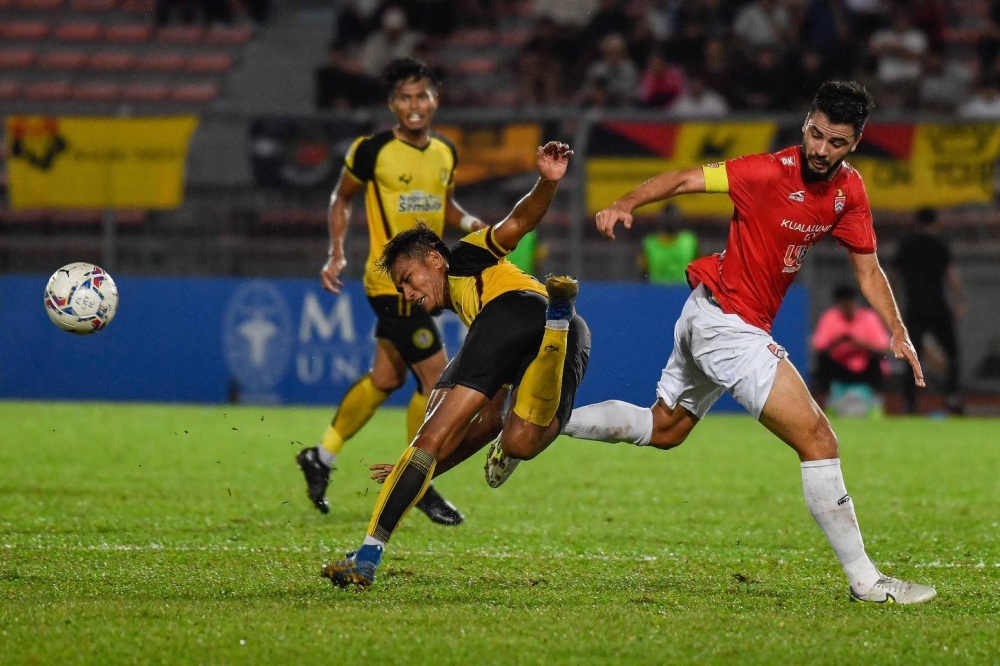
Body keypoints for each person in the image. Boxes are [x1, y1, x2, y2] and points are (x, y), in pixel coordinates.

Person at [561, 81, 937, 604]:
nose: (821, 150)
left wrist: (896, 328)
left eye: (836, 142)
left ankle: (550, 419)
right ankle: (867, 582)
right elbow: (685, 177)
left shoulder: (850, 191)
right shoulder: (765, 171)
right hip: (725, 323)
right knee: (819, 441)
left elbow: (868, 269)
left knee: (664, 428)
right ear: (806, 122)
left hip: (712, 315)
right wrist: (626, 201)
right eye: (816, 134)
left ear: (854, 144)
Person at [322, 142, 590, 589]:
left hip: (510, 312)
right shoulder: (470, 298)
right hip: (567, 328)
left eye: (408, 280)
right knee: (519, 441)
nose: (408, 295)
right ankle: (556, 331)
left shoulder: (466, 256)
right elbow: (483, 426)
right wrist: (422, 471)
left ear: (434, 259)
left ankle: (367, 555)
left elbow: (518, 223)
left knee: (431, 431)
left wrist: (547, 180)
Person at [296, 57, 487, 526]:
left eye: (422, 95)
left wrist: (469, 222)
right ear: (392, 104)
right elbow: (340, 197)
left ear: (435, 101)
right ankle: (417, 480)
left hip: (428, 284)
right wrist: (335, 251)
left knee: (385, 379)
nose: (414, 105)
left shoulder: (445, 152)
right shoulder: (372, 150)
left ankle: (320, 456)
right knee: (436, 377)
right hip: (391, 284)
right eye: (405, 97)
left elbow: (443, 204)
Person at [893, 207, 964, 415]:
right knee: (952, 352)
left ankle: (910, 401)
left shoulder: (906, 245)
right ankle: (952, 395)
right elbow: (950, 275)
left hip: (915, 307)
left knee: (910, 355)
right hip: (938, 305)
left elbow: (894, 278)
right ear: (936, 222)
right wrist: (958, 300)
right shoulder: (940, 244)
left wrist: (896, 305)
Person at [811, 283, 890, 415]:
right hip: (840, 367)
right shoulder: (830, 317)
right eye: (843, 303)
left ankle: (876, 401)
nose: (847, 306)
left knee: (878, 358)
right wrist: (838, 342)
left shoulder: (869, 318)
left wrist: (858, 344)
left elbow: (884, 348)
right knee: (822, 359)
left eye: (850, 302)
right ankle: (826, 402)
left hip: (865, 368)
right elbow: (819, 346)